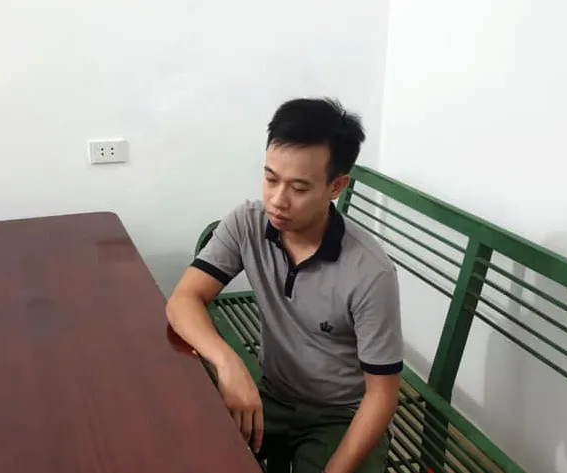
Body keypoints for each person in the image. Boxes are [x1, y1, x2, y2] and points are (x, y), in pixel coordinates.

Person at [166, 97, 403, 473]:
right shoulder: (247, 223)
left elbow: (382, 396)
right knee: (178, 440)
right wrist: (229, 363)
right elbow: (183, 299)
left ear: (336, 186)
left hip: (340, 417)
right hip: (272, 396)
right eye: (270, 178)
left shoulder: (370, 273)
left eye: (299, 188)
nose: (277, 201)